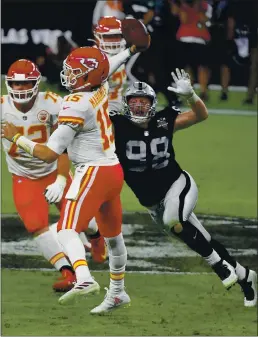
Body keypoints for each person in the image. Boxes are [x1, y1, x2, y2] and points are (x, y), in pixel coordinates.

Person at [2, 43, 150, 313]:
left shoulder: (73, 104)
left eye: (74, 72)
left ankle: (83, 279)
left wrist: (16, 137)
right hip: (112, 168)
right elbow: (109, 66)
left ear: (88, 76)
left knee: (65, 229)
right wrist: (129, 51)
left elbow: (48, 153)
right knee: (114, 238)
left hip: (92, 171)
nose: (68, 75)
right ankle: (117, 292)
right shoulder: (99, 88)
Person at [108, 70, 256, 307]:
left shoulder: (164, 120)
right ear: (126, 105)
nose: (137, 106)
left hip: (177, 185)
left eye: (143, 102)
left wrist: (192, 96)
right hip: (152, 202)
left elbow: (201, 115)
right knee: (200, 238)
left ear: (152, 104)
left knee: (173, 219)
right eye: (133, 101)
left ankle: (219, 266)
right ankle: (245, 276)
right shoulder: (117, 127)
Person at [1, 59, 76, 292]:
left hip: (54, 170)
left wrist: (62, 179)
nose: (21, 89)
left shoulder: (54, 104)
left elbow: (63, 147)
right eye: (16, 84)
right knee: (35, 225)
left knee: (77, 218)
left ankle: (95, 238)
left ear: (36, 84)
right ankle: (68, 272)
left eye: (27, 84)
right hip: (23, 176)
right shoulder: (2, 106)